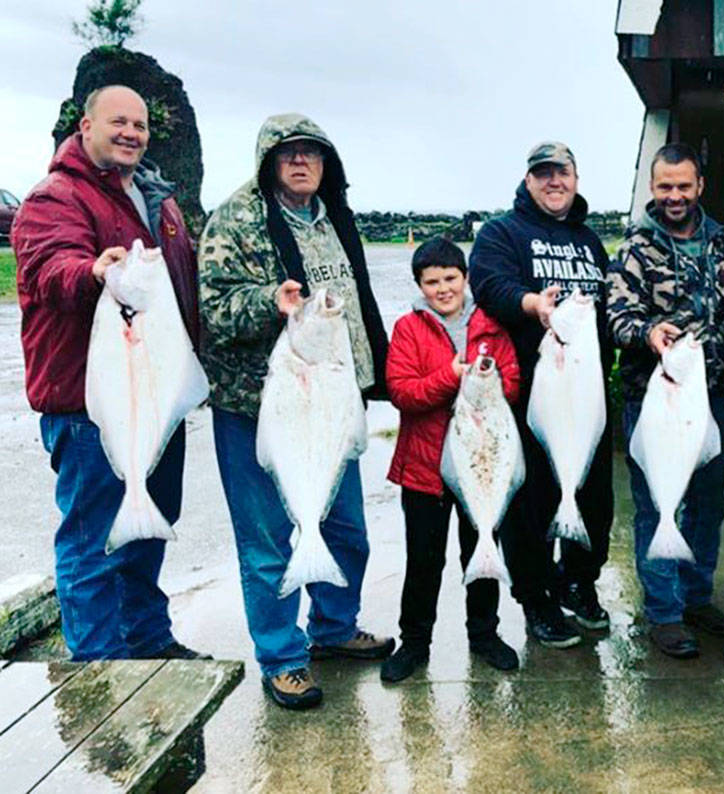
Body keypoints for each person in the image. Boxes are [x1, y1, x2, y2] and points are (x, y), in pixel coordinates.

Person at [199, 113, 393, 710]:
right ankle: (282, 657)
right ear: (268, 162)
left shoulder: (334, 217)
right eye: (288, 153)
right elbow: (213, 309)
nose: (301, 161)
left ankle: (334, 627)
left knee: (348, 531)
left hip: (330, 403)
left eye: (312, 152)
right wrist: (270, 301)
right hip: (257, 407)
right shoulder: (236, 218)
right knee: (267, 544)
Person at [11, 85, 207, 662]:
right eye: (118, 121)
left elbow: (183, 289)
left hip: (157, 397)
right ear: (86, 126)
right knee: (91, 540)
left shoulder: (157, 201)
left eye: (140, 125)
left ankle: (147, 640)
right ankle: (99, 667)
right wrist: (94, 272)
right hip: (87, 404)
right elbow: (48, 267)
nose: (131, 133)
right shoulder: (54, 197)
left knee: (147, 526)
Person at [469, 141, 615, 649]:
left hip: (587, 392)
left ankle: (579, 582)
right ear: (528, 181)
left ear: (576, 178)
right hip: (530, 394)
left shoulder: (590, 241)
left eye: (563, 172)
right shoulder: (501, 233)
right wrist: (533, 304)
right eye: (544, 173)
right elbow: (489, 285)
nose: (555, 181)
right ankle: (537, 600)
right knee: (530, 505)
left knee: (594, 497)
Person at [606, 142, 724, 658]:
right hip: (655, 401)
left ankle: (697, 596)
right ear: (652, 187)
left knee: (708, 505)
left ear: (700, 186)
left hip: (712, 400)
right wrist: (647, 333)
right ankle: (664, 612)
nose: (675, 195)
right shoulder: (635, 250)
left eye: (684, 186)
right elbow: (616, 318)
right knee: (657, 506)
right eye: (666, 186)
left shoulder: (722, 245)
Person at [380, 238, 522, 682]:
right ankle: (414, 642)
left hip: (482, 466)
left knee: (481, 550)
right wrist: (451, 377)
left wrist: (485, 382)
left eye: (450, 278)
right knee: (423, 561)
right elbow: (401, 391)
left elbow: (513, 383)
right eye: (432, 282)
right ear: (419, 285)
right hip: (424, 470)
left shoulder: (491, 326)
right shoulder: (408, 328)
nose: (443, 289)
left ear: (466, 278)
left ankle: (484, 634)